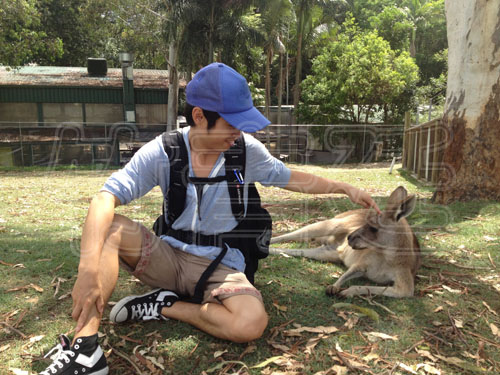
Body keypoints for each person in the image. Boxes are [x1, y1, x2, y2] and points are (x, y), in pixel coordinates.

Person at [40, 62, 380, 375]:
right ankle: (86, 350)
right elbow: (105, 197)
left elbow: (290, 177)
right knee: (110, 228)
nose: (239, 132)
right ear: (200, 116)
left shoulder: (245, 151)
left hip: (221, 264)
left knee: (250, 324)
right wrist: (87, 269)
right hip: (168, 257)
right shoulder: (165, 151)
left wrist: (344, 187)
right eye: (232, 123)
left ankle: (166, 306)